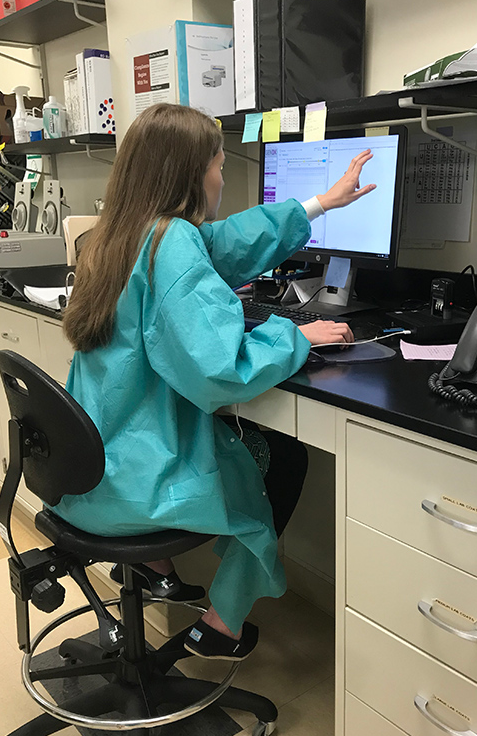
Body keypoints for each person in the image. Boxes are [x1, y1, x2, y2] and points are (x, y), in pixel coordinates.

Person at [58, 103, 375, 661]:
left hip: (93, 464)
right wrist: (299, 337)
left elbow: (224, 244)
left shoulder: (118, 231)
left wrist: (320, 202)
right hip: (140, 476)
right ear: (192, 174)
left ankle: (156, 571)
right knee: (286, 458)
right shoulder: (171, 242)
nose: (222, 179)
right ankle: (223, 623)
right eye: (221, 166)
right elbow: (221, 370)